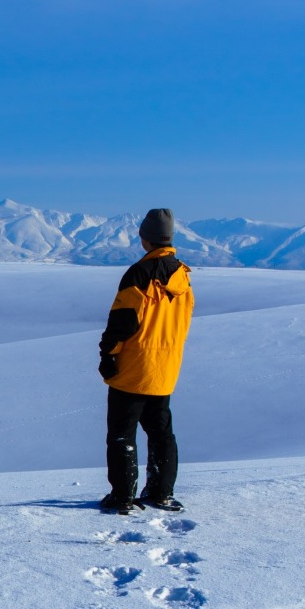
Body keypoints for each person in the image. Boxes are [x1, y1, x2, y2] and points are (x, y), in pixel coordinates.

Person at [97, 208, 194, 514]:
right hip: (165, 369)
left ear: (145, 238)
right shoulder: (182, 277)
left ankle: (123, 496)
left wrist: (108, 354)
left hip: (133, 368)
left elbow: (123, 322)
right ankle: (162, 493)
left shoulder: (139, 274)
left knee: (122, 434)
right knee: (161, 433)